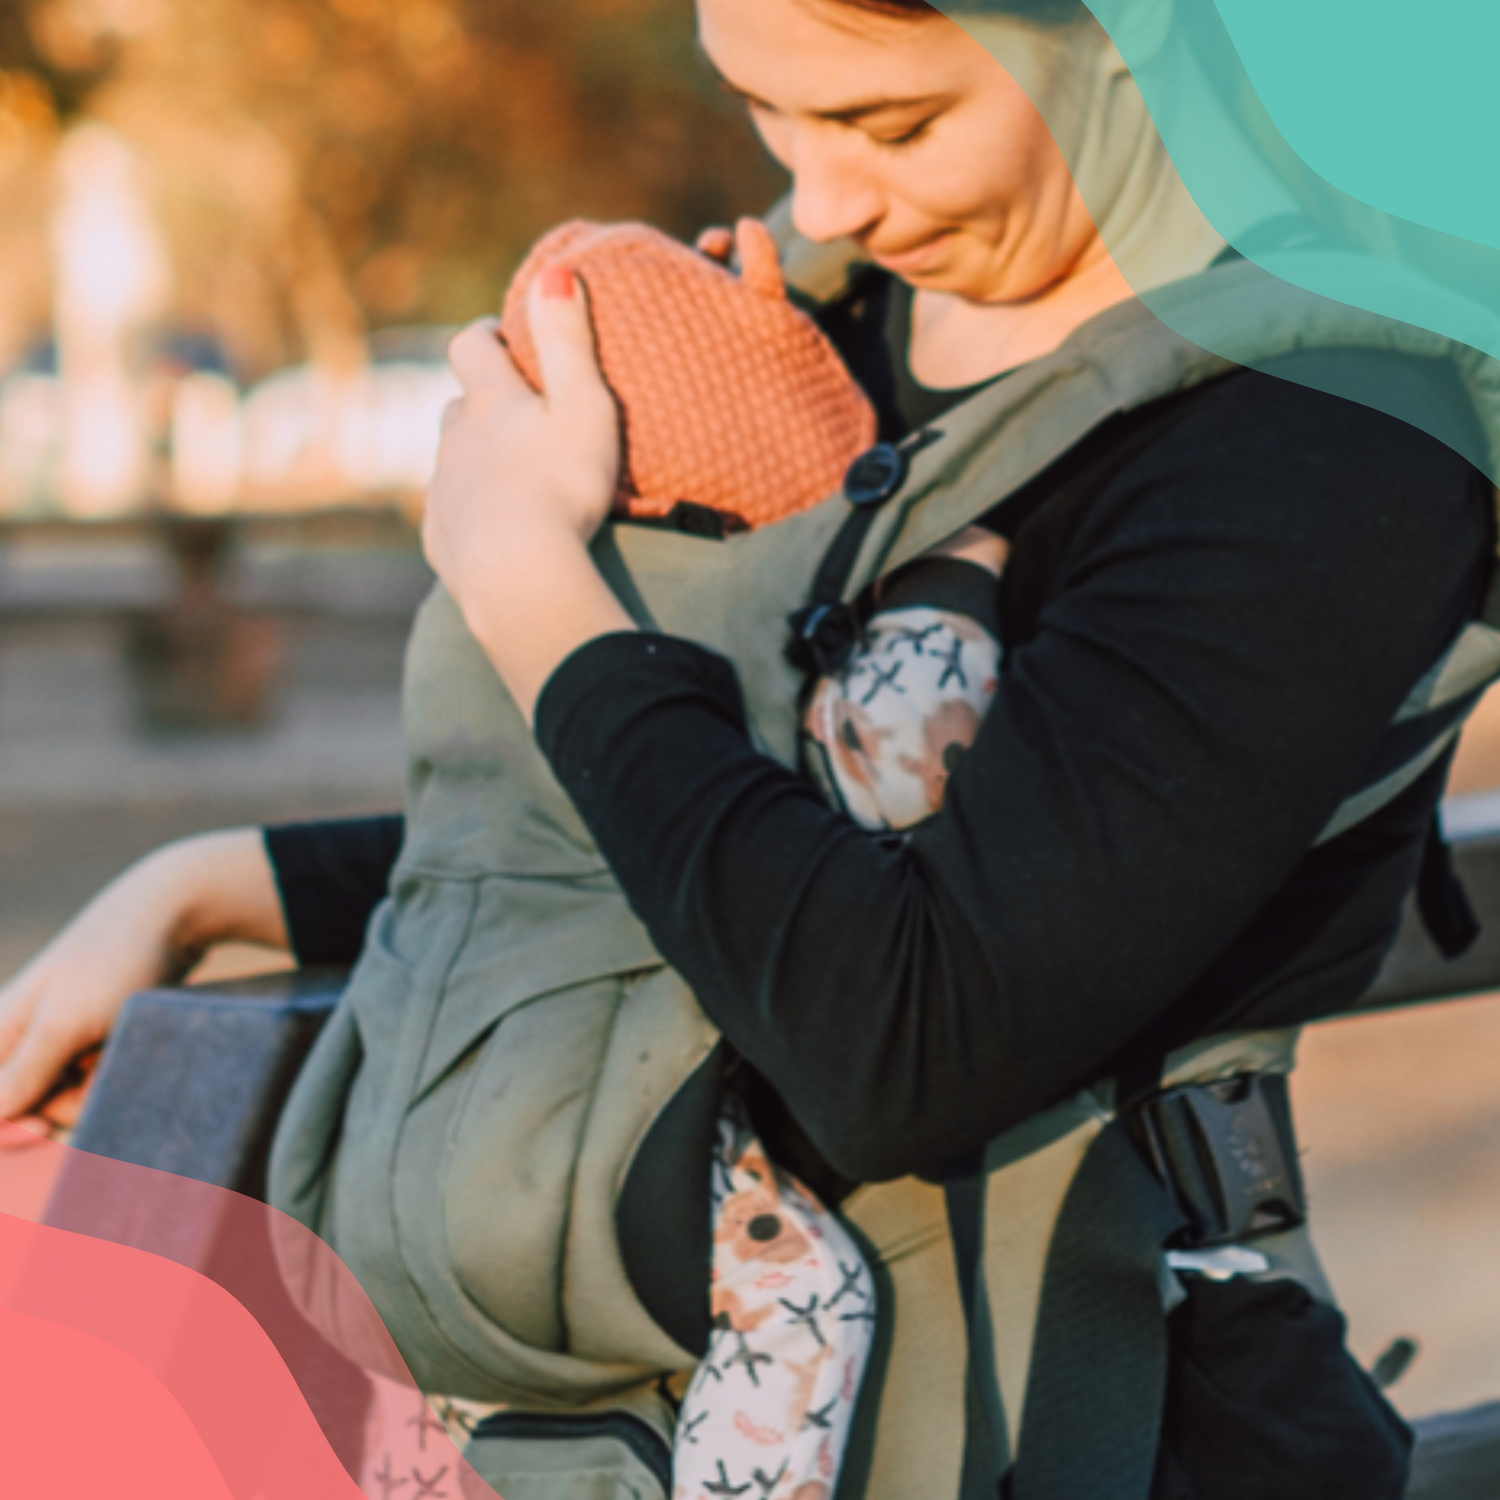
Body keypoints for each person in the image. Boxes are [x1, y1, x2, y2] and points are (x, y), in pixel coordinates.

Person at [1, 0, 1495, 1496]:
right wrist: (221, 885)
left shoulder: (1330, 435)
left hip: (1069, 1414)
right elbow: (700, 828)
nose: (823, 193)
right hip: (595, 1413)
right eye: (766, 108)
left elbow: (907, 1039)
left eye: (891, 122)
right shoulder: (823, 325)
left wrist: (532, 587)